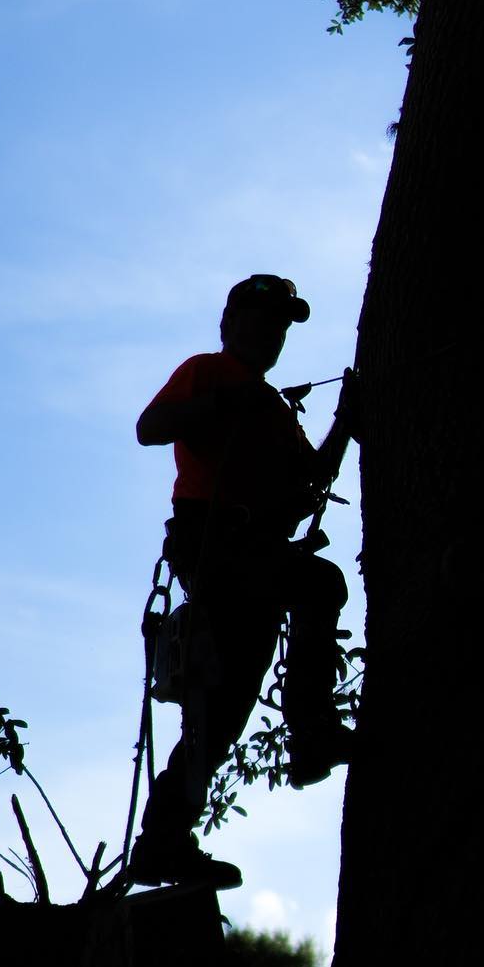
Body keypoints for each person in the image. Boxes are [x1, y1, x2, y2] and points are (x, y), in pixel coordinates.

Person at [127, 275, 357, 890]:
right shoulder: (209, 372)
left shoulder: (274, 410)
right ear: (231, 323)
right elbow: (151, 427)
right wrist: (226, 405)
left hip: (249, 551)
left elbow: (308, 482)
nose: (273, 335)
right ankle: (311, 732)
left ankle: (163, 841)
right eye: (264, 321)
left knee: (223, 711)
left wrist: (345, 419)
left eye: (280, 327)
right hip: (214, 544)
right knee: (317, 584)